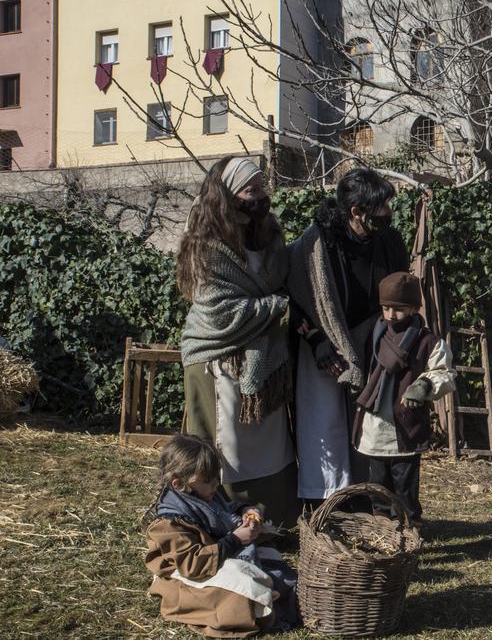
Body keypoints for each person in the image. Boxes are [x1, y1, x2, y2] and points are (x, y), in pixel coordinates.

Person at [178, 156, 299, 528]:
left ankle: (271, 521)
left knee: (269, 444)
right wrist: (277, 307)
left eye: (262, 187)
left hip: (266, 357)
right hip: (217, 355)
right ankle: (220, 521)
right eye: (251, 189)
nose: (260, 195)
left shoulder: (269, 235)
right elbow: (218, 310)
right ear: (228, 195)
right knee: (225, 446)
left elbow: (282, 277)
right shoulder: (206, 244)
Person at [288, 168, 409, 502]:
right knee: (325, 427)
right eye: (381, 207)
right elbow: (290, 297)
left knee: (370, 427)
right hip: (324, 350)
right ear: (357, 212)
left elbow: (401, 290)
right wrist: (315, 338)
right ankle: (327, 503)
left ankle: (370, 499)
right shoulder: (313, 245)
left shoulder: (390, 241)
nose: (388, 213)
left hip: (373, 345)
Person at [146, 434, 299, 637]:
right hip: (190, 572)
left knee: (270, 555)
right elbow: (193, 565)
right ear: (178, 484)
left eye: (216, 478)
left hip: (215, 555)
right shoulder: (170, 523)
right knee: (244, 585)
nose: (215, 485)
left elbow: (227, 509)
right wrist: (236, 539)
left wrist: (246, 511)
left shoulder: (203, 494)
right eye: (208, 481)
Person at [352, 272, 456, 526]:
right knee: (377, 482)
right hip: (375, 423)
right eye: (386, 308)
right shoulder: (373, 332)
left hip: (406, 423)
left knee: (405, 483)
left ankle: (409, 526)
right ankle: (382, 526)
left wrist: (424, 384)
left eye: (398, 309)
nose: (390, 315)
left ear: (413, 307)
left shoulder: (427, 341)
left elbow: (445, 373)